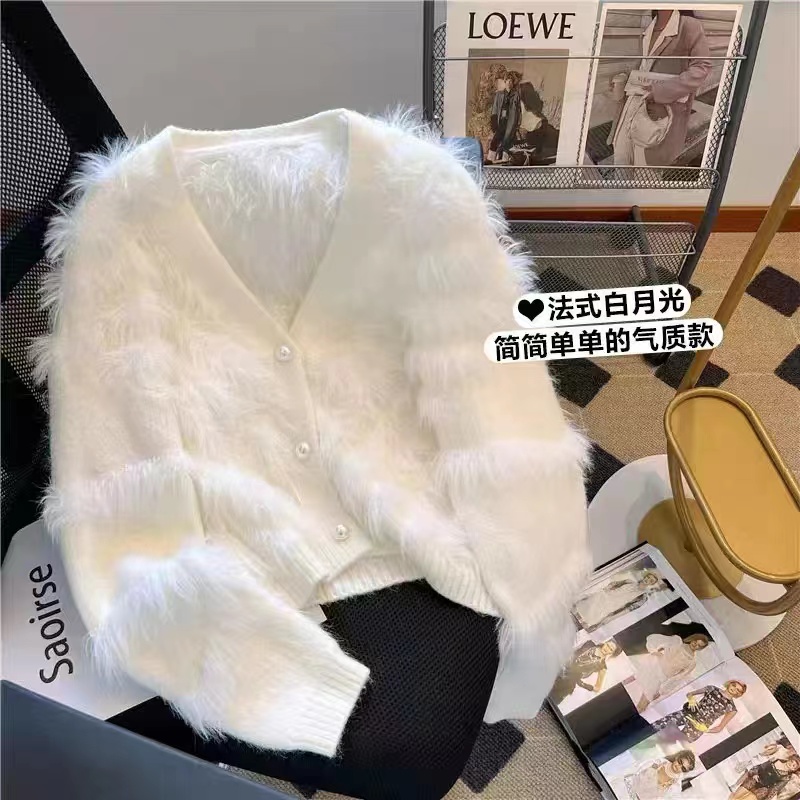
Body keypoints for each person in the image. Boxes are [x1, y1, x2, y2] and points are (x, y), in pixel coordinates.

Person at [610, 10, 713, 167]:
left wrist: (660, 91)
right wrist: (625, 79)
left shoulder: (688, 25)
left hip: (660, 111)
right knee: (621, 160)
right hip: (631, 104)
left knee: (646, 170)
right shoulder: (648, 25)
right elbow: (644, 65)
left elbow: (701, 67)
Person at [630, 633, 711, 709]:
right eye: (695, 642)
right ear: (693, 639)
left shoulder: (692, 663)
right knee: (631, 679)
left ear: (700, 648)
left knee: (644, 702)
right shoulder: (677, 642)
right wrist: (655, 652)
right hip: (653, 665)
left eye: (699, 645)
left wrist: (662, 690)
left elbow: (679, 678)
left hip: (661, 677)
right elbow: (657, 641)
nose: (695, 645)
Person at [651, 680, 747, 744]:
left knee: (673, 744)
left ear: (739, 694)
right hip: (689, 713)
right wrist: (691, 699)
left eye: (738, 690)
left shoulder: (732, 708)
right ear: (730, 683)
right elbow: (690, 694)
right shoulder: (712, 688)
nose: (734, 689)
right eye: (734, 685)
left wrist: (705, 730)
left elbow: (720, 728)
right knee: (660, 724)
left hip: (698, 727)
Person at [573, 569, 668, 631]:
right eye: (648, 577)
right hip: (603, 597)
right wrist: (605, 590)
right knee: (582, 609)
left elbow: (628, 609)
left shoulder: (642, 597)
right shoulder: (629, 581)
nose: (648, 580)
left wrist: (612, 616)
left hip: (610, 607)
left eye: (651, 580)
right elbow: (613, 585)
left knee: (588, 620)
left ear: (652, 584)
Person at [551, 639, 621, 704]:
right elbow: (572, 652)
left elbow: (597, 688)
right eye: (608, 645)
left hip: (565, 686)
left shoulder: (602, 667)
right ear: (605, 643)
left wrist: (582, 683)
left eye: (611, 649)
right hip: (557, 672)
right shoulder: (589, 644)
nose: (607, 648)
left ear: (612, 653)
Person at [623, 749, 696, 799]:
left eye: (683, 768)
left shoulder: (675, 786)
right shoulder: (657, 762)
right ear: (677, 757)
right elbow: (635, 770)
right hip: (626, 790)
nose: (678, 766)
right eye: (680, 762)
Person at [729, 755, 800, 800]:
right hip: (756, 778)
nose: (791, 764)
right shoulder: (775, 760)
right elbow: (760, 766)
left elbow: (775, 789)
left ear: (794, 769)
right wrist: (755, 773)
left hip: (764, 788)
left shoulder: (786, 777)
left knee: (756, 795)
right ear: (789, 759)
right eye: (792, 761)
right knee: (746, 786)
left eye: (794, 766)